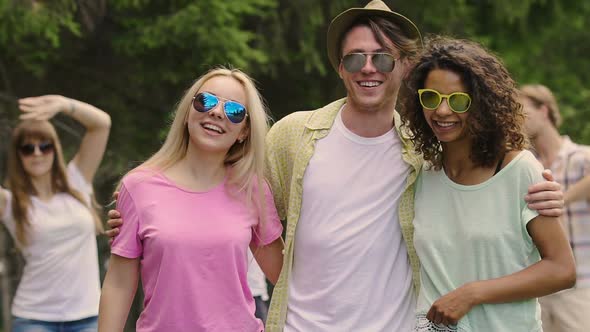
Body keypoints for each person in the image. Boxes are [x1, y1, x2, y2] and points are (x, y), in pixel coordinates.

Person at [106, 1, 564, 331]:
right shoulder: (292, 136)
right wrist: (146, 212)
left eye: (383, 57)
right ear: (339, 67)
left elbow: (482, 171)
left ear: (404, 66)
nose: (370, 67)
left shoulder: (425, 150)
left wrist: (542, 185)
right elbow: (230, 201)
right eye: (355, 57)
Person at [400, 36, 576, 331]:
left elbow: (562, 269)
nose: (442, 111)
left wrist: (473, 293)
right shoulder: (420, 175)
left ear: (482, 106)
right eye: (431, 98)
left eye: (458, 100)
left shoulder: (518, 170)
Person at [97, 67, 284, 332]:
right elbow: (118, 284)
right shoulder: (137, 186)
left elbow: (286, 279)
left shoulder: (252, 189)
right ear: (187, 113)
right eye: (206, 101)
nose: (217, 112)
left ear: (243, 131)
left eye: (234, 111)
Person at [0, 95, 111, 332]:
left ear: (55, 148)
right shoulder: (10, 202)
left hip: (89, 316)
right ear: (18, 156)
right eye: (28, 148)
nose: (38, 153)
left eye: (45, 145)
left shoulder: (78, 180)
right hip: (34, 319)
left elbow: (101, 124)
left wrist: (63, 105)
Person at [520, 84, 590, 332]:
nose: (518, 119)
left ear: (544, 110)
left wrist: (561, 198)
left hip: (580, 287)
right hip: (540, 289)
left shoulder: (581, 156)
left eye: (523, 111)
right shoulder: (525, 165)